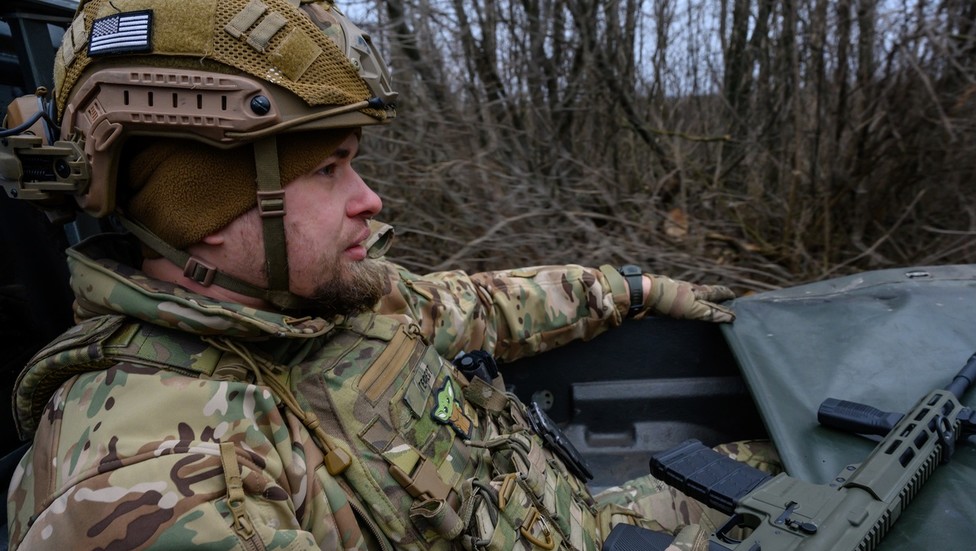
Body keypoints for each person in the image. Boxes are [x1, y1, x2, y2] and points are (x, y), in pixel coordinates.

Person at [2, 1, 777, 549]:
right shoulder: (152, 485)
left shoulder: (313, 308)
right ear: (207, 205)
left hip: (579, 522)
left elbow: (479, 304)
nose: (369, 200)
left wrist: (634, 289)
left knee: (797, 470)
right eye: (331, 169)